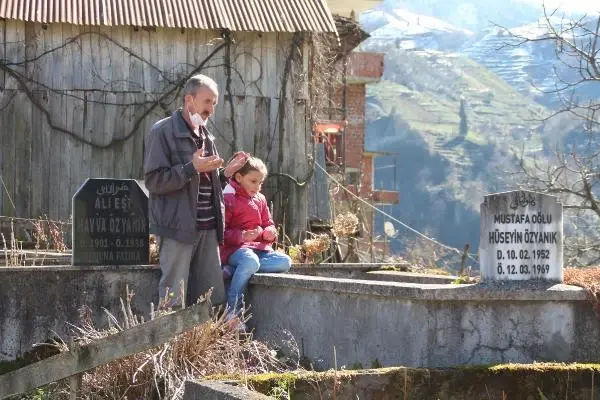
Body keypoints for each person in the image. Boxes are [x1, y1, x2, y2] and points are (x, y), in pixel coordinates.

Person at [144, 74, 247, 309]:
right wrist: (191, 168)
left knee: (210, 299)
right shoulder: (162, 132)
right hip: (177, 230)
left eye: (214, 103)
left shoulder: (206, 136)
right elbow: (154, 181)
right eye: (207, 101)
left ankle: (201, 347)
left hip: (207, 230)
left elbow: (204, 186)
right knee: (173, 299)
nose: (211, 109)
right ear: (189, 100)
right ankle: (169, 346)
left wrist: (226, 173)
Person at [220, 156, 292, 318]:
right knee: (249, 261)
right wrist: (242, 236)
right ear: (239, 178)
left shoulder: (261, 200)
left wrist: (270, 232)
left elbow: (268, 223)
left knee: (285, 262)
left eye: (260, 183)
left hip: (259, 250)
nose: (257, 186)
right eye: (253, 181)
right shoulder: (229, 199)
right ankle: (233, 311)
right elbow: (221, 232)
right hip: (235, 250)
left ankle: (234, 270)